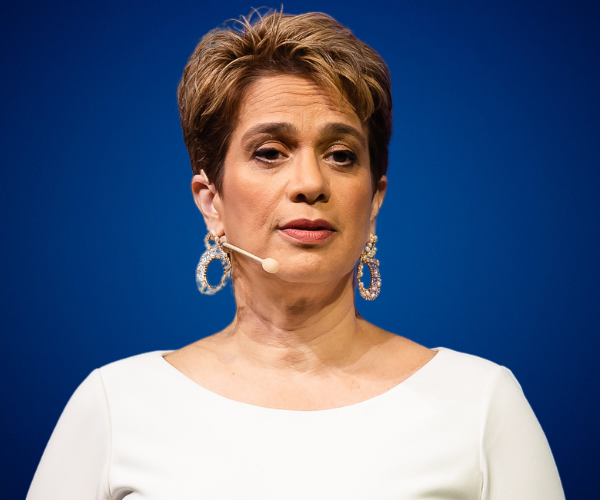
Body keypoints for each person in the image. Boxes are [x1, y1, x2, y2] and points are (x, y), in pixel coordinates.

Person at [27, 11, 565, 500]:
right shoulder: (115, 406)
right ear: (210, 200)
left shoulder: (480, 403)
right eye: (269, 153)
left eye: (340, 155)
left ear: (374, 198)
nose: (310, 182)